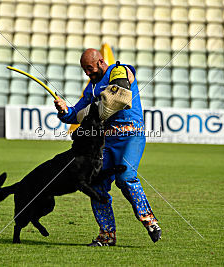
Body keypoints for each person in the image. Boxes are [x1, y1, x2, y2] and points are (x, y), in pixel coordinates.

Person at [54, 48, 161, 246]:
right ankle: (107, 235)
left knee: (125, 177)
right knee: (95, 185)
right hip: (105, 141)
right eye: (85, 70)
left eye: (90, 68)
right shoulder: (90, 89)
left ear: (101, 62)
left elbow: (123, 85)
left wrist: (93, 108)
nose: (88, 73)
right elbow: (75, 115)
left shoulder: (117, 70)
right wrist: (64, 110)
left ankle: (150, 221)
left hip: (130, 135)